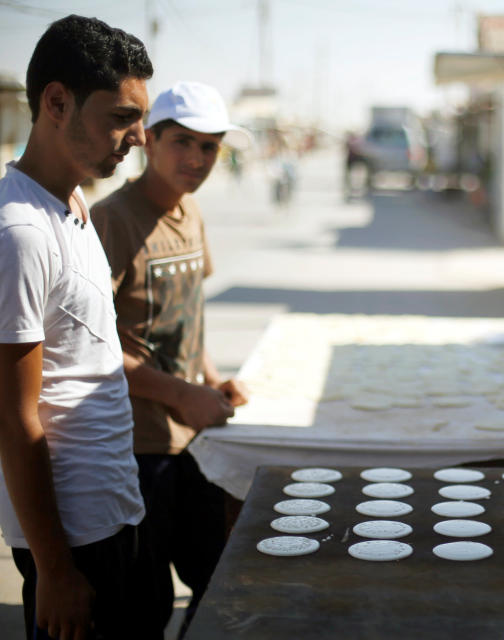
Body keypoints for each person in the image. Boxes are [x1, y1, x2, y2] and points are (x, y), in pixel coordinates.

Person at [0, 15, 153, 640]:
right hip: (73, 538)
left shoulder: (70, 203)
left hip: (114, 511)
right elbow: (15, 418)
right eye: (122, 117)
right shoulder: (21, 234)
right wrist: (55, 570)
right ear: (56, 103)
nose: (138, 137)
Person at [90, 81, 249, 639]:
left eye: (210, 147)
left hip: (193, 442)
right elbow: (91, 350)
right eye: (183, 142)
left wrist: (207, 379)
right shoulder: (112, 221)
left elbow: (188, 315)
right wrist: (181, 394)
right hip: (136, 449)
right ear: (148, 139)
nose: (196, 159)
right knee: (143, 603)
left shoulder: (192, 213)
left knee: (217, 580)